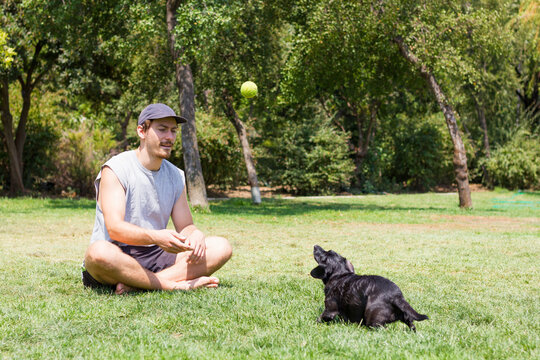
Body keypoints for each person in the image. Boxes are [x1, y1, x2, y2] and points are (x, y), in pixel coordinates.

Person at [82, 103, 232, 294]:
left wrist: (195, 234)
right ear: (141, 131)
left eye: (173, 131)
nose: (169, 137)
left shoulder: (176, 175)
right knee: (98, 253)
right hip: (118, 253)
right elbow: (115, 228)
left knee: (221, 247)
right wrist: (156, 236)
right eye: (162, 130)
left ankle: (138, 284)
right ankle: (173, 284)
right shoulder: (115, 169)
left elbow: (185, 226)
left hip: (157, 256)